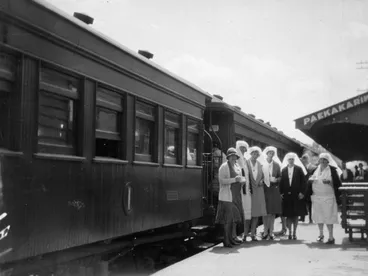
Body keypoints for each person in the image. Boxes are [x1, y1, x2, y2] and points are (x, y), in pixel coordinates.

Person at [307, 153, 342, 244]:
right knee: (319, 217)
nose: (322, 161)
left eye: (324, 160)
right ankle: (321, 235)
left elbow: (338, 184)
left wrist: (330, 182)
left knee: (329, 217)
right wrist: (310, 180)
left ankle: (331, 237)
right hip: (317, 197)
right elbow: (310, 179)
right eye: (321, 159)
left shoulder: (332, 170)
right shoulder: (315, 169)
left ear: (328, 161)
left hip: (328, 197)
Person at [215, 147, 244, 247]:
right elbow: (222, 181)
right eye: (231, 156)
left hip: (235, 196)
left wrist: (241, 181)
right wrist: (234, 180)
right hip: (227, 197)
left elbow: (239, 178)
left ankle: (231, 239)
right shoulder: (224, 166)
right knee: (227, 221)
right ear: (228, 157)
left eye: (235, 156)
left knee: (232, 220)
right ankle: (226, 241)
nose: (233, 158)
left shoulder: (237, 166)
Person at [279, 152, 307, 240]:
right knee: (288, 215)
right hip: (287, 196)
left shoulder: (299, 169)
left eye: (292, 159)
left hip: (296, 195)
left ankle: (294, 232)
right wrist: (281, 193)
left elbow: (304, 182)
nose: (291, 161)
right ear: (287, 160)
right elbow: (281, 183)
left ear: (294, 160)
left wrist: (302, 192)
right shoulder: (283, 170)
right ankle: (289, 232)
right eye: (289, 159)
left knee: (295, 215)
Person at [261, 146, 282, 240]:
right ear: (266, 153)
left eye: (273, 153)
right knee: (265, 211)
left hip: (273, 190)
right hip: (264, 190)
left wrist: (276, 179)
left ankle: (271, 231)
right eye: (270, 153)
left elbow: (280, 177)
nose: (271, 154)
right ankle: (265, 231)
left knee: (272, 212)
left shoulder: (277, 165)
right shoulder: (262, 164)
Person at [247, 146, 267, 241]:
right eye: (254, 153)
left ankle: (253, 234)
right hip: (249, 191)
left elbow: (263, 176)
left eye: (257, 154)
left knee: (255, 214)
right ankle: (245, 234)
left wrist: (262, 181)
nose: (255, 155)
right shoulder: (246, 163)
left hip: (258, 191)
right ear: (250, 154)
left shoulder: (260, 164)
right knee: (247, 213)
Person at [235, 140, 252, 241]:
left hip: (246, 190)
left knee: (246, 212)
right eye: (242, 148)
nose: (244, 150)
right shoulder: (235, 160)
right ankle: (238, 234)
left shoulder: (245, 160)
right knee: (239, 213)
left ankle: (245, 233)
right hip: (238, 190)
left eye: (245, 149)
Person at [300, 154, 317, 223]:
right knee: (302, 202)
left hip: (310, 188)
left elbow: (315, 176)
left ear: (306, 159)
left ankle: (310, 218)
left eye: (304, 159)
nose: (303, 161)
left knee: (309, 203)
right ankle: (303, 217)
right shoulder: (302, 167)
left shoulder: (313, 167)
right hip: (303, 187)